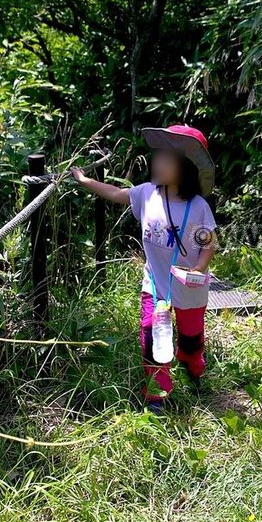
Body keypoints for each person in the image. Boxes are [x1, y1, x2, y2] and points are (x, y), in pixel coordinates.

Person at [71, 124, 218, 414]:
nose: (157, 162)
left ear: (185, 168)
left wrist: (200, 267)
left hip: (188, 286)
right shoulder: (146, 194)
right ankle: (156, 395)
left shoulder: (198, 205)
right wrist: (85, 180)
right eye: (157, 156)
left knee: (190, 341)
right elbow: (115, 193)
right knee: (152, 337)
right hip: (155, 284)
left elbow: (208, 242)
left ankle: (193, 365)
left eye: (166, 159)